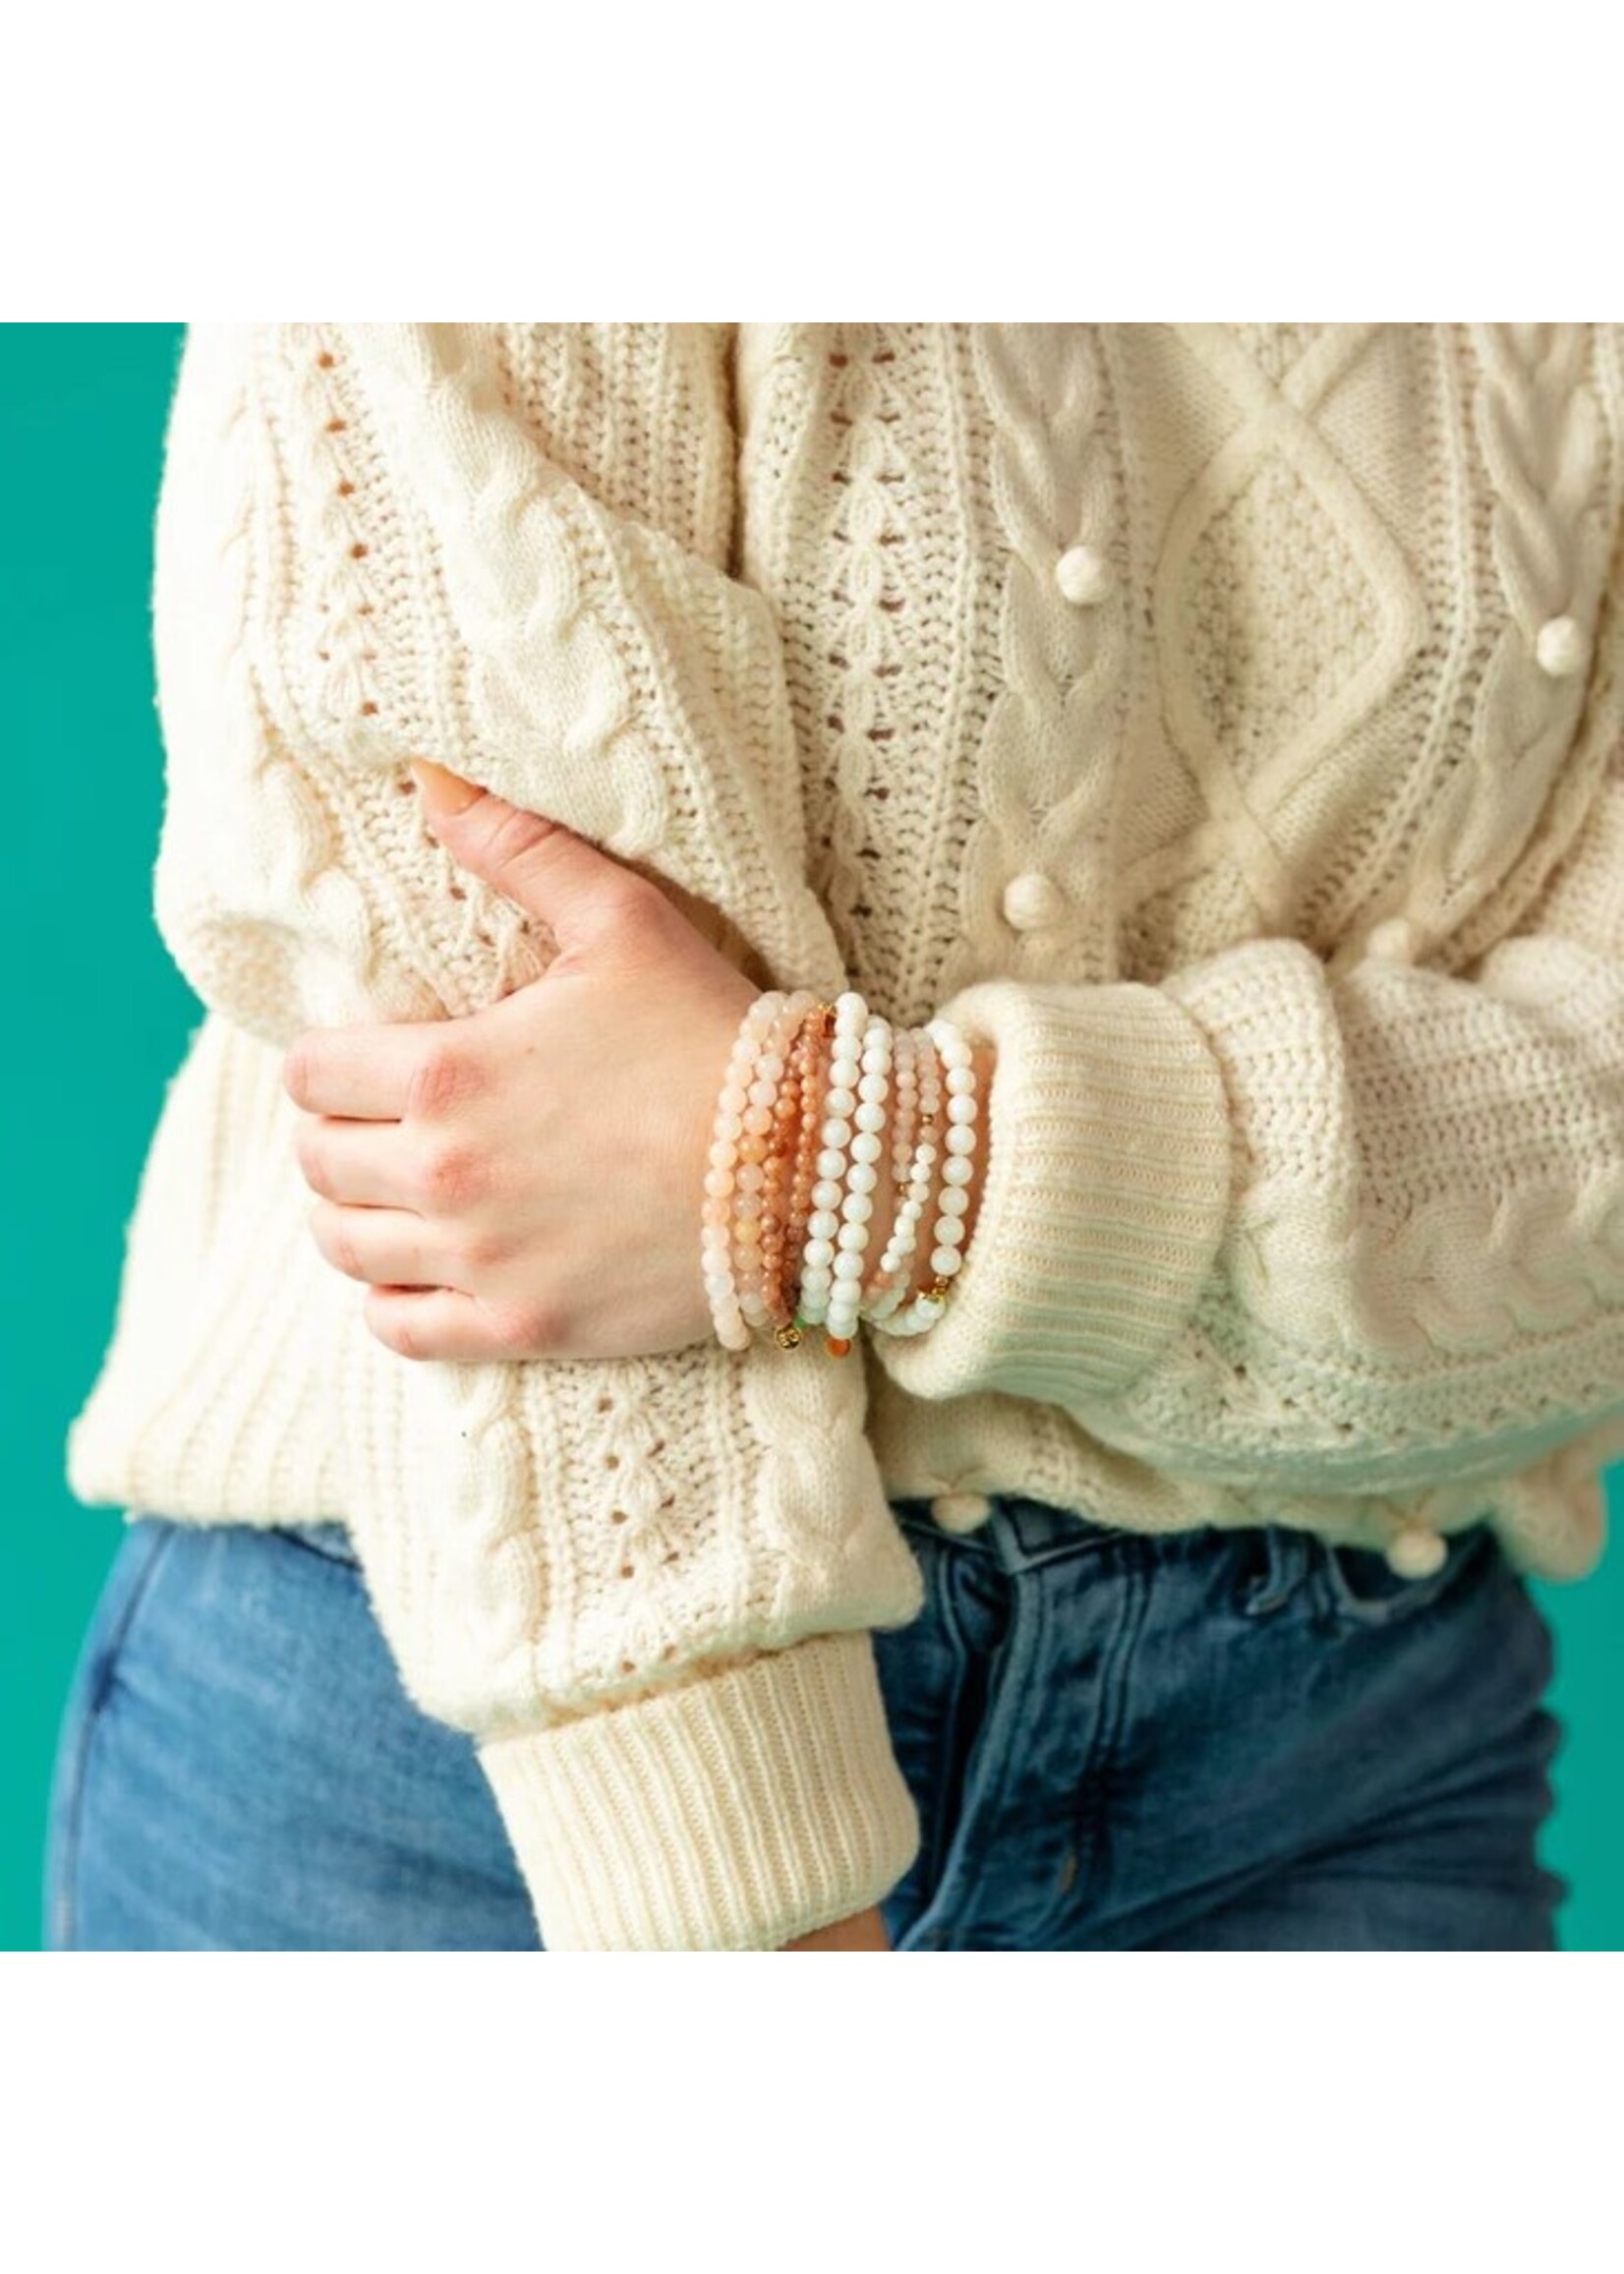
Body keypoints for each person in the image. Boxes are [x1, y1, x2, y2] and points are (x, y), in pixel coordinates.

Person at [49, 321, 1624, 1952]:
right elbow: (487, 1020)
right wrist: (726, 1865)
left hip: (1334, 1741)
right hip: (506, 1713)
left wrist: (868, 1165)